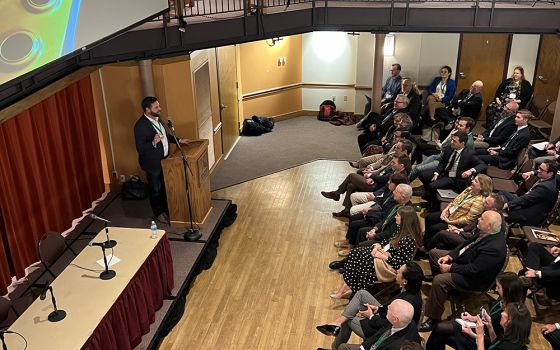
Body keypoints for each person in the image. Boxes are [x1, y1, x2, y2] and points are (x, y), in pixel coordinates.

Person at [419, 211, 507, 332]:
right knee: (435, 254)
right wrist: (449, 256)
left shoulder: (494, 248)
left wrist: (451, 267)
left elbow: (474, 270)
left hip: (474, 280)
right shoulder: (486, 231)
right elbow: (466, 244)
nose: (478, 219)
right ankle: (444, 291)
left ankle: (433, 318)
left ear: (489, 226)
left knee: (439, 280)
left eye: (482, 219)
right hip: (466, 261)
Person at [316, 262, 423, 350]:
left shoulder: (408, 303)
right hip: (388, 317)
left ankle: (334, 346)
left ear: (405, 281)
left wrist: (371, 316)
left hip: (381, 326)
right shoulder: (410, 289)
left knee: (348, 320)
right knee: (362, 294)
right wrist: (379, 309)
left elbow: (387, 325)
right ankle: (337, 323)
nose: (396, 271)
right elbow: (391, 312)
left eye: (399, 271)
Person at [331, 206, 421, 299]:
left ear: (404, 220)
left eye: (397, 216)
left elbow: (401, 264)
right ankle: (349, 288)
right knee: (355, 252)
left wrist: (382, 256)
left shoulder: (409, 240)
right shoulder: (400, 229)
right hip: (386, 255)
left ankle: (354, 290)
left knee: (361, 259)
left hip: (392, 266)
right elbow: (389, 242)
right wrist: (379, 245)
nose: (395, 217)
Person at [426, 272, 523, 350]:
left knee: (441, 332)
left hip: (485, 341)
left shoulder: (513, 314)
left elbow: (495, 343)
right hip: (483, 331)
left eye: (499, 287)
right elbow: (491, 322)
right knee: (440, 329)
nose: (496, 290)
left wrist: (475, 334)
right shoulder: (503, 300)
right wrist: (473, 318)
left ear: (508, 290)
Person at [134, 96, 190, 224]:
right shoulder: (140, 126)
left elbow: (165, 135)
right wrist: (153, 142)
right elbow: (140, 148)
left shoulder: (159, 120)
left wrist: (179, 140)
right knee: (156, 189)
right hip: (152, 164)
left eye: (159, 106)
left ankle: (167, 209)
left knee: (165, 187)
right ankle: (158, 213)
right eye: (156, 107)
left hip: (165, 160)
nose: (160, 109)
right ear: (148, 110)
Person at [321, 154, 411, 218]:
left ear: (401, 165)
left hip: (376, 188)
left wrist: (371, 178)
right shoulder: (394, 169)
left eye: (394, 163)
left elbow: (385, 186)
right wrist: (373, 177)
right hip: (375, 185)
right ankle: (346, 210)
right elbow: (382, 174)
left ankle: (337, 193)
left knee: (351, 176)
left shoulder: (401, 178)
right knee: (351, 185)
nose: (391, 164)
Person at [422, 174, 492, 248]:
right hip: (450, 214)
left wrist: (449, 222)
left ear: (481, 187)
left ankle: (427, 247)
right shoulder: (469, 189)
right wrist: (445, 211)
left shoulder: (480, 201)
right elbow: (455, 201)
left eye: (475, 181)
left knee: (433, 228)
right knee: (429, 218)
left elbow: (468, 220)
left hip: (457, 223)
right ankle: (425, 241)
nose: (472, 181)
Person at [426, 193, 505, 251]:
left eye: (486, 203)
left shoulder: (495, 222)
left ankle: (425, 249)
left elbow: (478, 238)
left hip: (473, 243)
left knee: (442, 233)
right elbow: (474, 223)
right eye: (485, 200)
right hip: (468, 234)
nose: (483, 203)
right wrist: (461, 230)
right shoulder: (488, 210)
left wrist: (459, 232)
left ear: (494, 209)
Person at [418, 131, 487, 195]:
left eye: (454, 141)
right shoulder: (449, 148)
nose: (451, 142)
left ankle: (431, 197)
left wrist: (470, 171)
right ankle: (429, 192)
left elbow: (483, 165)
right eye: (452, 140)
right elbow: (442, 162)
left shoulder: (469, 154)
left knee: (432, 186)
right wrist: (437, 173)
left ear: (462, 143)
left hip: (455, 178)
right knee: (422, 175)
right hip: (444, 172)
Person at [337, 299, 422, 350]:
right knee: (343, 347)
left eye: (389, 309)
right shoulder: (403, 322)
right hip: (374, 345)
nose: (387, 309)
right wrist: (363, 347)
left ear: (395, 319)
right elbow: (379, 334)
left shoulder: (398, 346)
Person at [501, 158, 558, 227]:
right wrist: (531, 172)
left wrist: (507, 204)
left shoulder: (545, 188)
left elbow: (525, 199)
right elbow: (539, 171)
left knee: (500, 209)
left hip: (529, 214)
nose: (539, 170)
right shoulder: (550, 177)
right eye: (539, 168)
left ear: (550, 173)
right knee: (502, 193)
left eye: (542, 170)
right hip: (528, 203)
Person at [463, 302, 531, 350]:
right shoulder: (515, 338)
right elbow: (495, 343)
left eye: (505, 312)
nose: (501, 313)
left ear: (509, 322)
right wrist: (490, 327)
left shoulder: (505, 347)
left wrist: (480, 335)